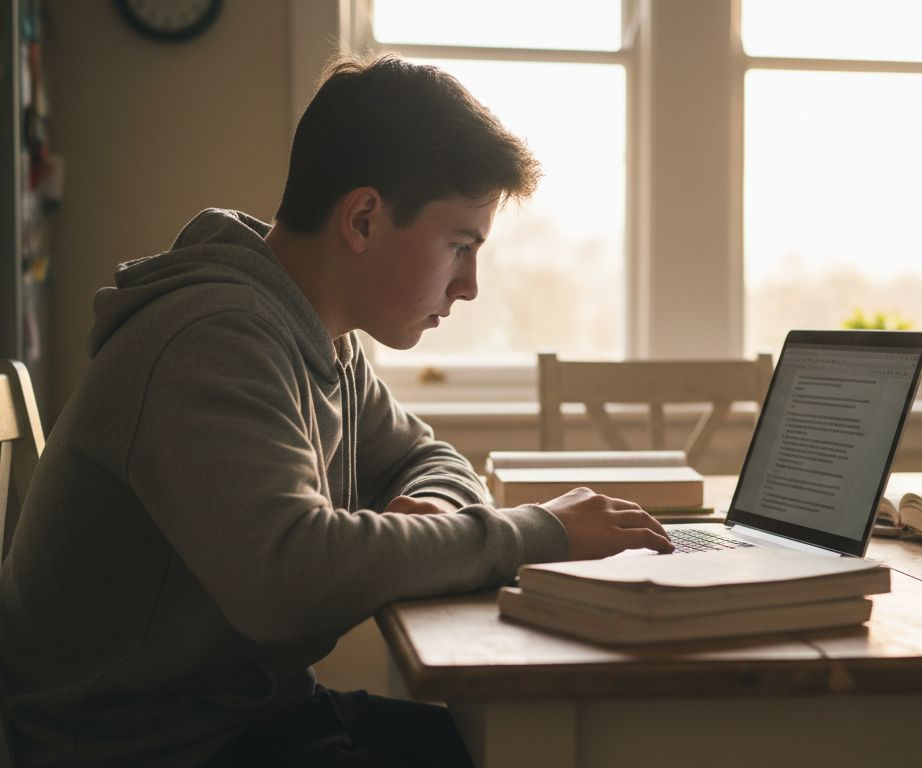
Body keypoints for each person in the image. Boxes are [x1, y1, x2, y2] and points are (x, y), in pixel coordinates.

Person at [0, 53, 672, 767]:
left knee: (526, 745)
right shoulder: (212, 339)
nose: (470, 285)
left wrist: (439, 514)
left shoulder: (315, 335)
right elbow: (287, 581)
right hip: (144, 748)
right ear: (362, 219)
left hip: (244, 716)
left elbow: (429, 456)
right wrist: (543, 533)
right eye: (459, 246)